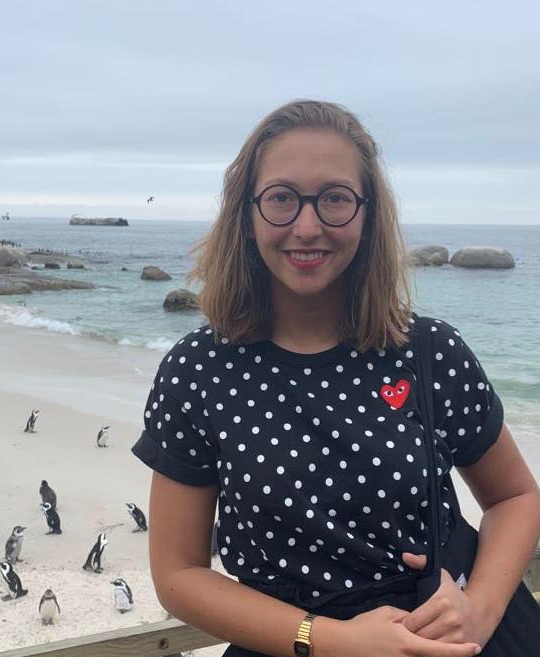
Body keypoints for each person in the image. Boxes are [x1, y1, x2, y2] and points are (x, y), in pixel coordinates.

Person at [132, 100, 540, 657]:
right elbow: (178, 574)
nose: (307, 227)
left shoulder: (430, 351)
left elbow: (515, 496)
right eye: (281, 198)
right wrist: (333, 640)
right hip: (291, 643)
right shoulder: (198, 371)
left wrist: (482, 609)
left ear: (368, 214)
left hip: (460, 637)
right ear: (247, 214)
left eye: (335, 199)